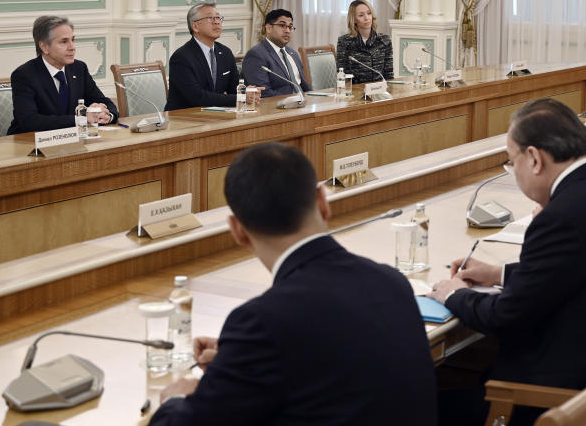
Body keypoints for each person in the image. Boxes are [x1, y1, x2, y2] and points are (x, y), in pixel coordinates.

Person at [150, 142, 437, 425]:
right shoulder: (392, 282)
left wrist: (176, 399)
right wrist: (237, 364)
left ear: (237, 231)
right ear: (323, 202)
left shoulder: (261, 322)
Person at [428, 98, 586, 425]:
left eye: (512, 161)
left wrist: (453, 294)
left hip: (563, 402)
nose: (514, 172)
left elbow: (506, 317)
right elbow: (576, 273)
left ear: (535, 158)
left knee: (409, 408)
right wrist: (499, 273)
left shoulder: (562, 217)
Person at [8, 15, 117, 135]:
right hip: (29, 144)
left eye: (73, 40)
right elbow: (29, 121)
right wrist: (81, 119)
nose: (72, 47)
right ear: (44, 47)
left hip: (72, 141)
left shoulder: (79, 68)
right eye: (64, 42)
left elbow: (104, 101)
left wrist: (106, 115)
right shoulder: (24, 75)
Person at [165, 3, 246, 111]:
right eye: (210, 18)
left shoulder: (225, 52)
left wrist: (248, 92)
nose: (217, 22)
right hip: (184, 118)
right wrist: (240, 98)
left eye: (218, 17)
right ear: (195, 26)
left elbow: (235, 88)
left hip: (216, 115)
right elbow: (198, 98)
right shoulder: (181, 57)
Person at [241, 9, 310, 97]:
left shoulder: (293, 53)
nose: (287, 31)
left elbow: (304, 86)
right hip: (279, 108)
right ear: (269, 28)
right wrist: (291, 101)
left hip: (302, 105)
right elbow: (263, 93)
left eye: (290, 27)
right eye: (282, 25)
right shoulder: (256, 55)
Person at [335, 0, 393, 84]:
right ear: (354, 19)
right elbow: (343, 76)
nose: (366, 18)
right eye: (361, 15)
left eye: (369, 13)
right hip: (355, 92)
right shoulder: (344, 42)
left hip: (379, 91)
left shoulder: (384, 41)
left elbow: (389, 75)